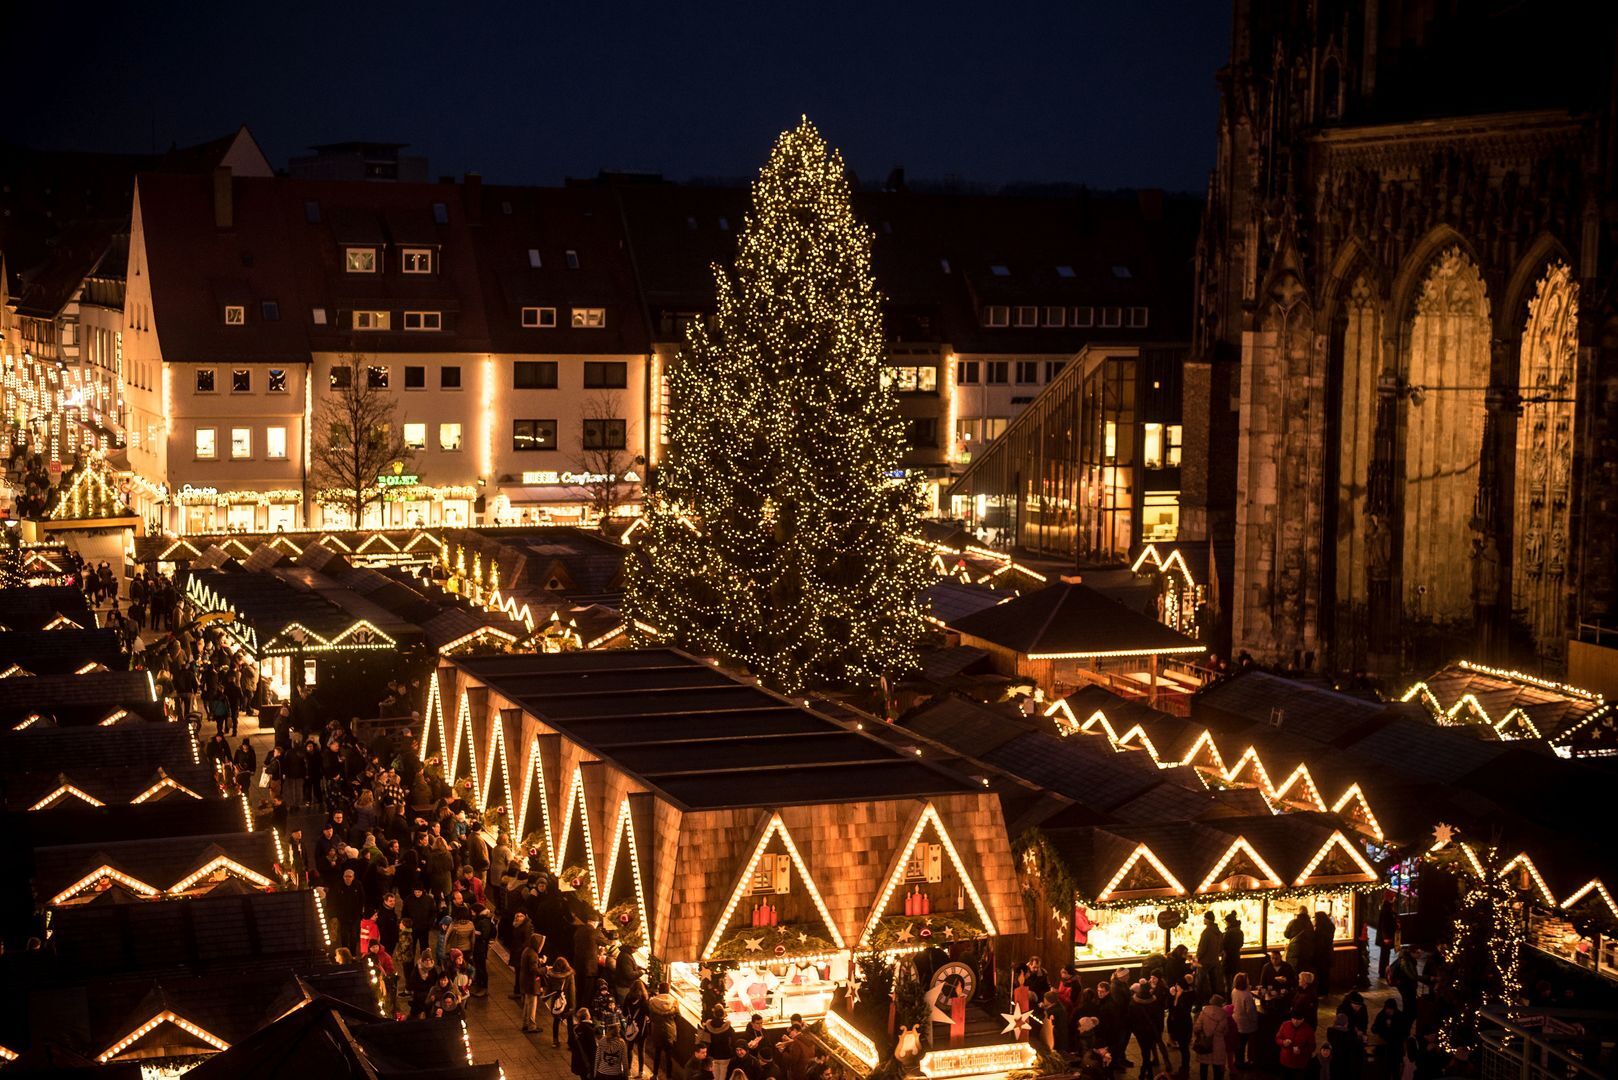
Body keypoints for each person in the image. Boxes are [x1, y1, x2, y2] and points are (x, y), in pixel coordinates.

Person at [646, 981, 680, 1080]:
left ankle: (655, 1075)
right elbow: (678, 1016)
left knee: (657, 1053)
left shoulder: (652, 1002)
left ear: (659, 989)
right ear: (668, 990)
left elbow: (650, 1016)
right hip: (670, 1031)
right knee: (669, 1056)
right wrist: (672, 1023)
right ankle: (669, 1077)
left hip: (657, 1030)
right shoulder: (674, 1002)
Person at [1193, 995, 1232, 1080]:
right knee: (1217, 1068)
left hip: (1205, 1043)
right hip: (1218, 1045)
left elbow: (1197, 1028)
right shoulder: (1223, 1015)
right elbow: (1225, 1031)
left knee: (1203, 1066)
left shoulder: (1204, 1012)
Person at [546, 956, 579, 1049]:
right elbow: (572, 991)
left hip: (557, 1002)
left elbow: (548, 989)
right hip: (567, 1001)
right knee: (569, 1022)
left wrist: (545, 998)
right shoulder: (569, 975)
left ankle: (555, 1041)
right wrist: (573, 1006)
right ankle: (570, 1042)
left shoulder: (552, 975)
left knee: (556, 1021)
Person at [1276, 1009, 1316, 1080]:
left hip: (1299, 1064)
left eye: (1298, 1019)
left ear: (1303, 1019)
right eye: (1294, 1019)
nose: (1295, 1021)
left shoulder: (1308, 1030)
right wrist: (1283, 1042)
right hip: (1285, 1062)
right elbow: (1277, 1038)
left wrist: (1301, 1051)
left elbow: (1312, 1047)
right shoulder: (1285, 1025)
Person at [1230, 972, 1258, 1069]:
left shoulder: (1234, 991)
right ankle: (1241, 1063)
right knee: (1243, 1044)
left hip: (1236, 1020)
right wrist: (1255, 1020)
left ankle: (1237, 1061)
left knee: (1239, 1044)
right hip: (1245, 1023)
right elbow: (1250, 1011)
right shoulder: (1247, 995)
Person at [519, 933, 545, 1033]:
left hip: (525, 982)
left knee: (527, 1004)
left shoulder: (527, 950)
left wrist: (540, 961)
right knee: (532, 1005)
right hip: (531, 983)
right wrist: (545, 969)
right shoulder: (533, 954)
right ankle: (531, 1026)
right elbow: (534, 970)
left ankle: (525, 1024)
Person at [1196, 912, 1225, 999]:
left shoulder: (1206, 932)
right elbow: (1221, 948)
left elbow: (1202, 948)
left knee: (1200, 983)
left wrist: (1197, 957)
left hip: (1204, 962)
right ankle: (1214, 1000)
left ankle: (1199, 1002)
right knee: (1214, 982)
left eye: (1204, 918)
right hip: (1215, 961)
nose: (1203, 920)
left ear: (1207, 920)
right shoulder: (1219, 932)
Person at [570, 1009, 599, 1080]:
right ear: (587, 1016)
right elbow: (593, 1049)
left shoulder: (576, 1029)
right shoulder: (589, 1029)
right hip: (587, 1063)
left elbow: (571, 1043)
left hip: (579, 1061)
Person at [1376, 896, 1399, 981]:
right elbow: (1384, 926)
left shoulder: (1388, 911)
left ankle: (1383, 971)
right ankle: (1383, 972)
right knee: (1385, 955)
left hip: (1386, 937)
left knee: (1385, 954)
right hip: (1386, 938)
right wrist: (1386, 938)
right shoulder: (1386, 912)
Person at [1222, 913, 1245, 993]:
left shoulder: (1228, 933)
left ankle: (1229, 999)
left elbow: (1223, 945)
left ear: (1229, 922)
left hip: (1228, 959)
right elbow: (1241, 944)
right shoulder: (1240, 932)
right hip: (1236, 958)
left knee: (1228, 982)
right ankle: (1236, 997)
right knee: (1235, 980)